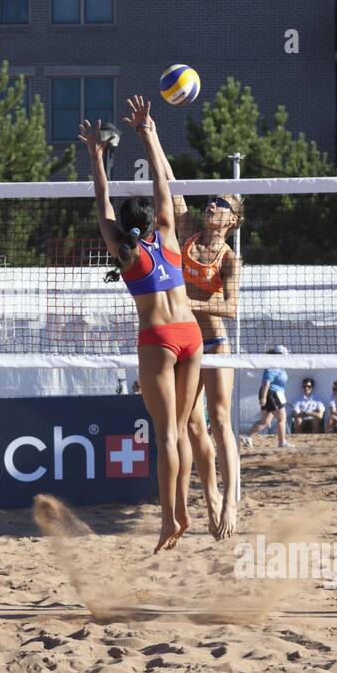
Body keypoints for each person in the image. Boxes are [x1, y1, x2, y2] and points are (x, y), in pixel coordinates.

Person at [81, 96, 201, 553]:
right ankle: (184, 509)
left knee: (165, 433)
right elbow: (161, 183)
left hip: (159, 339)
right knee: (186, 426)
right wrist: (148, 133)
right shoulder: (169, 233)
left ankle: (169, 517)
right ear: (152, 221)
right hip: (191, 335)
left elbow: (102, 200)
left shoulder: (124, 254)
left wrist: (96, 157)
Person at [174, 187, 243, 538]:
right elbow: (170, 186)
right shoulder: (186, 232)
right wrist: (148, 133)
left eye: (222, 204)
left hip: (215, 343)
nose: (212, 206)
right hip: (187, 343)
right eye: (211, 201)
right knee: (189, 423)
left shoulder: (230, 259)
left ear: (233, 219)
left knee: (220, 420)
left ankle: (231, 500)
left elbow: (231, 308)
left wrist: (190, 306)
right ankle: (210, 493)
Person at [242, 346, 293, 450]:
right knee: (281, 418)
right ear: (279, 355)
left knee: (264, 421)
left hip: (275, 394)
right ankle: (282, 442)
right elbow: (266, 383)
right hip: (271, 394)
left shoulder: (280, 366)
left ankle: (247, 437)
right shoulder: (272, 366)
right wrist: (263, 398)